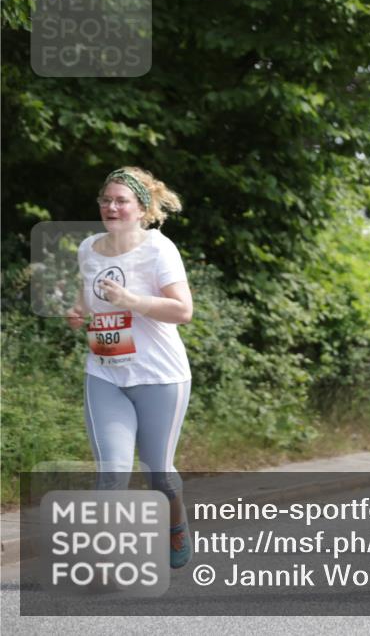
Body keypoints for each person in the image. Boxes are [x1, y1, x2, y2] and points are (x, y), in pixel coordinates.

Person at [66, 166, 194, 569]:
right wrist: (77, 311)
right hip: (105, 371)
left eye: (121, 201)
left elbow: (183, 311)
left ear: (141, 209)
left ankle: (175, 526)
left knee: (159, 475)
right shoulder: (88, 247)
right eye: (106, 200)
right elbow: (88, 296)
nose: (111, 207)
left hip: (160, 376)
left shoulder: (159, 249)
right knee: (112, 472)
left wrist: (132, 300)